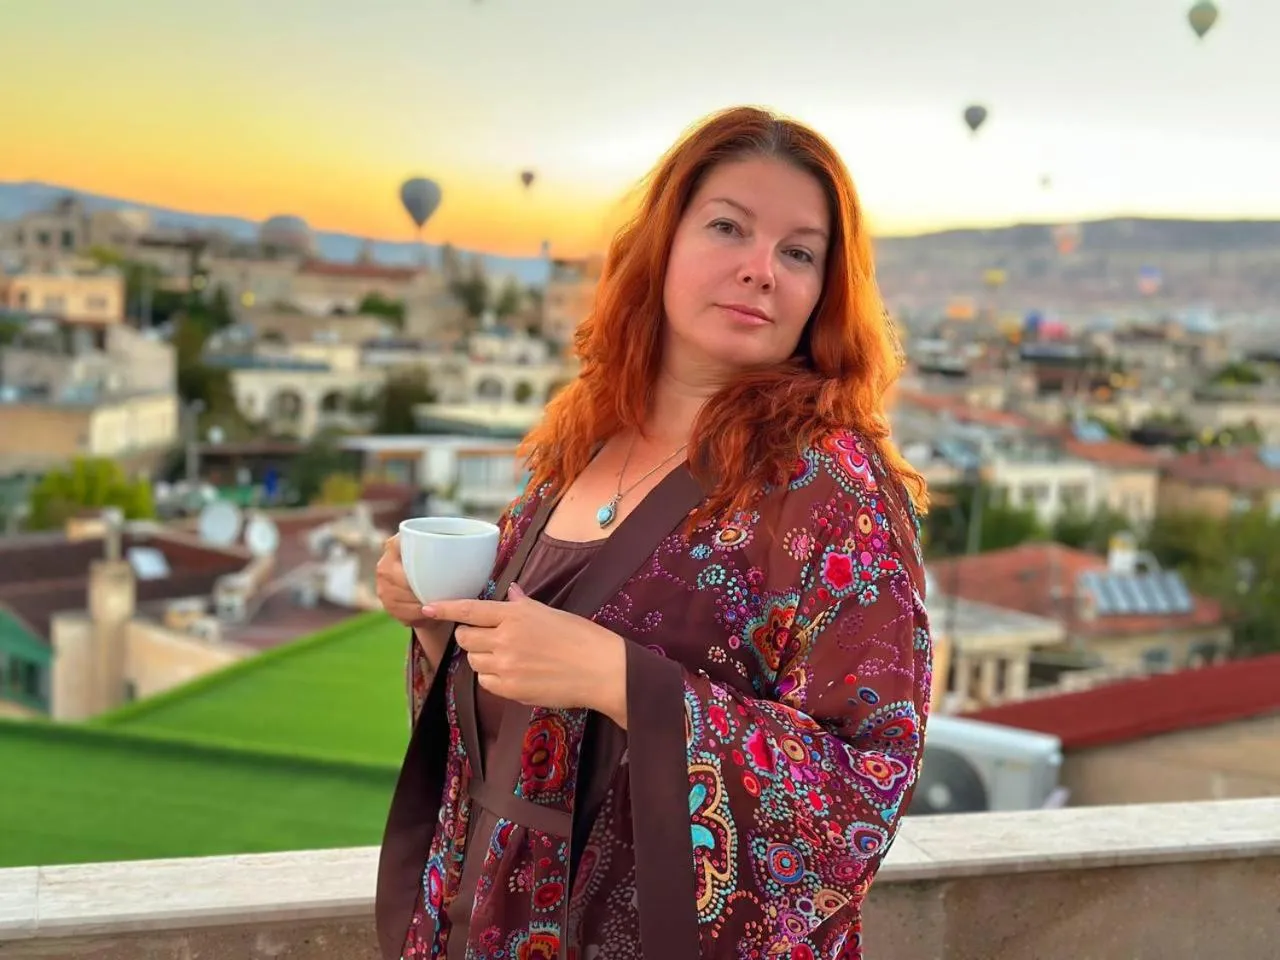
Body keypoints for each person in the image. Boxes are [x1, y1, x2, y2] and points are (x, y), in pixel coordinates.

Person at [374, 105, 933, 960]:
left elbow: (866, 794)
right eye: (727, 228)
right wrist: (442, 624)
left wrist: (625, 683)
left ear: (827, 289)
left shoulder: (830, 491)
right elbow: (505, 725)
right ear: (663, 243)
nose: (759, 271)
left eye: (798, 252)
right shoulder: (579, 447)